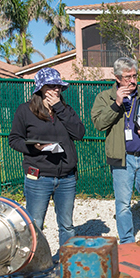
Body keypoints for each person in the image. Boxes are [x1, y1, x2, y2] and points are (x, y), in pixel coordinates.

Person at [91, 57, 140, 244]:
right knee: (123, 205)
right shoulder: (104, 97)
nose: (132, 81)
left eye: (134, 76)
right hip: (121, 159)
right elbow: (99, 124)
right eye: (127, 77)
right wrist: (117, 104)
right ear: (117, 78)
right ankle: (126, 243)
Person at [9, 67, 85, 248]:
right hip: (39, 176)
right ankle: (36, 265)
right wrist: (32, 148)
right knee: (35, 225)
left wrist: (59, 107)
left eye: (58, 86)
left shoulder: (65, 110)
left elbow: (79, 133)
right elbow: (14, 139)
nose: (56, 89)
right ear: (40, 89)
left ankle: (66, 264)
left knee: (66, 225)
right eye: (51, 86)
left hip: (66, 177)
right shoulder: (25, 110)